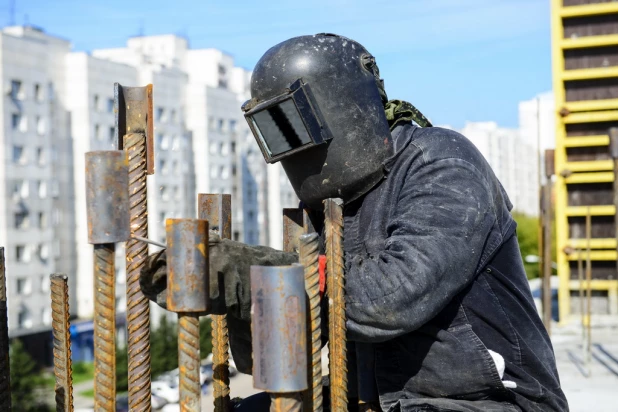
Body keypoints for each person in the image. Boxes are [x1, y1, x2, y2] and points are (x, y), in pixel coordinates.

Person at [141, 33, 568, 411]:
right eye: (276, 130)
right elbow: (290, 344)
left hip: (488, 402)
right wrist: (236, 296)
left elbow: (390, 299)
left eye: (293, 123)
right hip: (380, 399)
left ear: (337, 106)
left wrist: (256, 274)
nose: (292, 149)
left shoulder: (441, 161)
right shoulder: (330, 206)